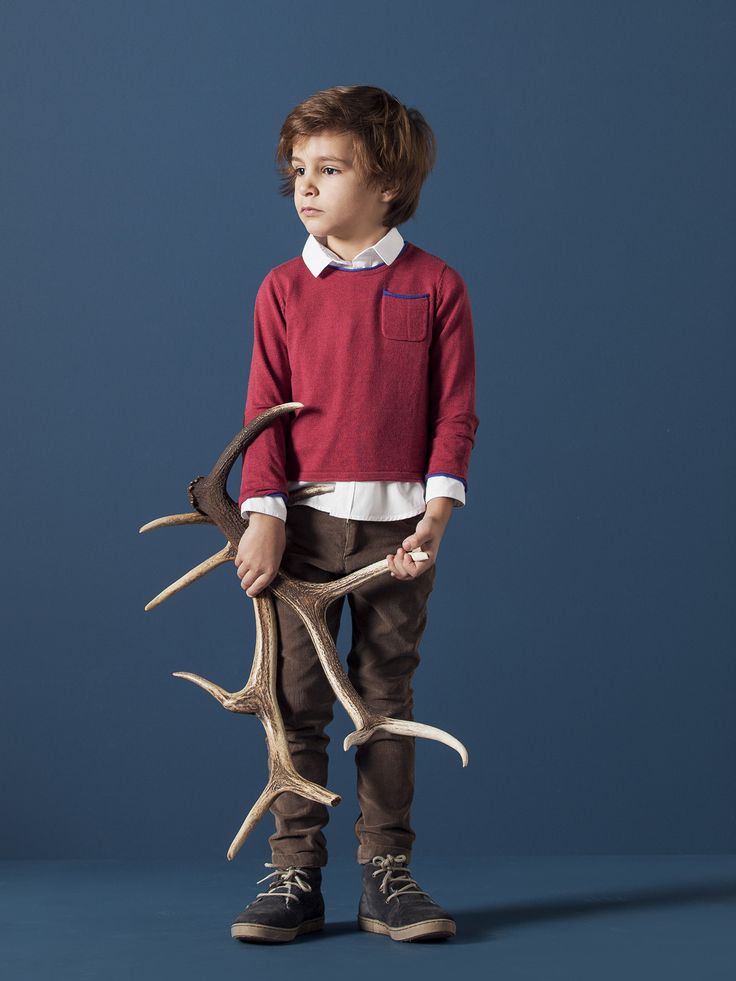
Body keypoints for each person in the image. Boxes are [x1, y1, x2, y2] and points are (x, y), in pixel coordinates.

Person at [231, 84, 479, 944]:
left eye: (330, 169)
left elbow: (455, 413)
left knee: (383, 698)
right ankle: (294, 872)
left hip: (397, 535)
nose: (306, 185)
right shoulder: (281, 290)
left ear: (388, 185)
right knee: (293, 699)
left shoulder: (436, 285)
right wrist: (263, 515)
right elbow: (263, 415)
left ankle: (386, 874)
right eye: (298, 170)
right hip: (298, 535)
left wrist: (436, 515)